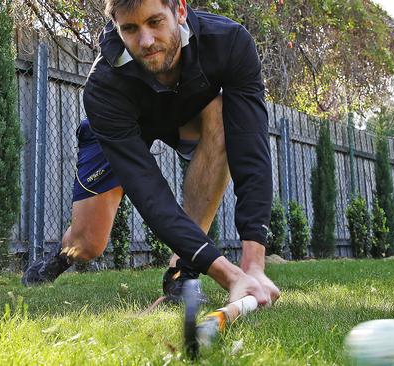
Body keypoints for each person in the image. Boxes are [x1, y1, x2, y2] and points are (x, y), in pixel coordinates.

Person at [22, 0, 279, 306]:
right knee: (88, 243)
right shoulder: (103, 87)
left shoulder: (229, 42)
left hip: (187, 117)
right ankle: (61, 256)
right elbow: (149, 193)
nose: (145, 42)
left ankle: (181, 273)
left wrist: (253, 266)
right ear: (117, 26)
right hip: (123, 128)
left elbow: (250, 146)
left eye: (155, 22)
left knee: (224, 116)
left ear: (180, 10)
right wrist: (229, 274)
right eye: (130, 29)